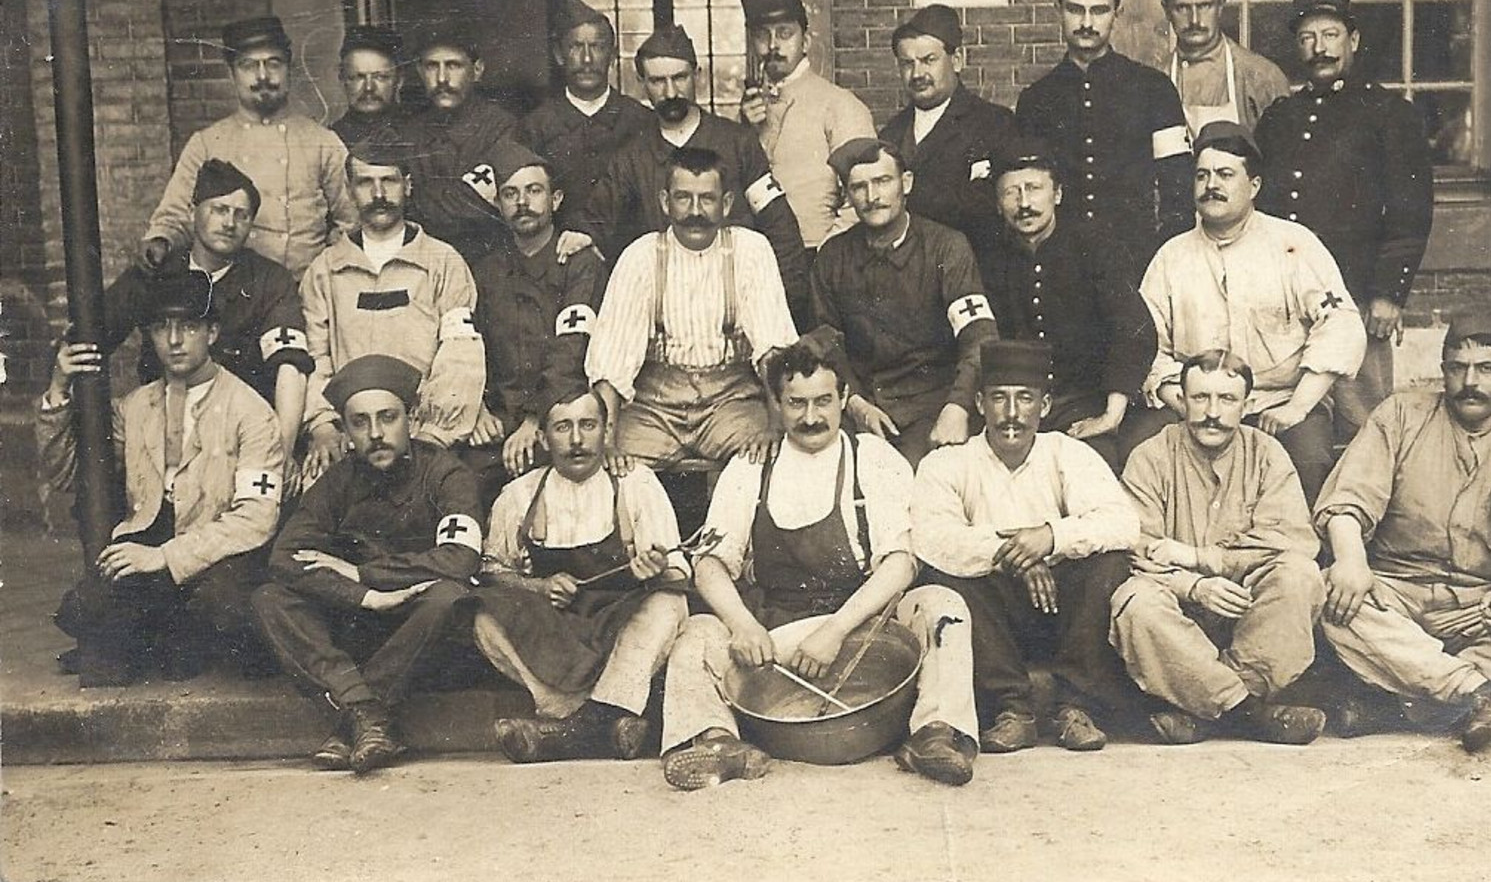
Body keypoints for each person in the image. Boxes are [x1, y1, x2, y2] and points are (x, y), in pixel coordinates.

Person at [660, 330, 979, 789]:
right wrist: (744, 625)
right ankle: (717, 743)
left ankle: (933, 734)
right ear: (776, 403)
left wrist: (836, 630)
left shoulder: (873, 457)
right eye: (796, 404)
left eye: (823, 402)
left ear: (844, 398)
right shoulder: (752, 465)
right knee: (698, 631)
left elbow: (901, 562)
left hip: (863, 629)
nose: (811, 418)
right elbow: (709, 563)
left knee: (942, 606)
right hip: (778, 635)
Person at [1315, 308, 1491, 753]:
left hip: (1477, 609)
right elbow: (1347, 500)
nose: (1470, 381)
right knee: (1329, 599)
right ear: (1443, 371)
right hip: (1393, 596)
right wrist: (1353, 562)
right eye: (1458, 368)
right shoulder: (1400, 417)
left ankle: (1403, 702)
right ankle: (1476, 696)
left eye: (1486, 369)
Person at [40, 273, 284, 684]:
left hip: (216, 553)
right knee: (100, 650)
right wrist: (58, 387)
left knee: (201, 626)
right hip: (151, 537)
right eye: (160, 327)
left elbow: (255, 519)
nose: (174, 340)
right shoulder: (138, 407)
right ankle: (143, 635)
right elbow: (68, 474)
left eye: (188, 326)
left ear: (212, 332)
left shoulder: (251, 412)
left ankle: (164, 637)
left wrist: (165, 557)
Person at [251, 355, 483, 774]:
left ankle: (356, 714)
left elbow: (460, 557)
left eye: (388, 418)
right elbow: (285, 556)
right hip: (359, 622)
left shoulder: (448, 475)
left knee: (448, 597)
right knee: (271, 599)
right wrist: (364, 597)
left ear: (411, 417)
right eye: (359, 422)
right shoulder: (337, 482)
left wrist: (363, 574)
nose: (376, 434)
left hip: (418, 633)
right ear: (345, 429)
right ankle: (367, 713)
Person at [911, 340, 1144, 753]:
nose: (1012, 414)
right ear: (980, 405)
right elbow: (931, 537)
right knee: (946, 576)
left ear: (1046, 404)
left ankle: (1075, 706)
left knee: (1109, 563)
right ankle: (1013, 708)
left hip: (1065, 617)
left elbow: (1124, 524)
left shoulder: (1070, 454)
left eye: (1025, 399)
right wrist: (1014, 555)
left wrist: (1050, 537)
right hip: (996, 622)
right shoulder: (948, 463)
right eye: (999, 399)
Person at [1138, 121, 1366, 504]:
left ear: (1254, 185)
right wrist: (1181, 399)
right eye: (1203, 176)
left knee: (1309, 461)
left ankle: (1299, 557)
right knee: (1141, 449)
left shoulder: (1294, 244)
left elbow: (1341, 324)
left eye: (1226, 175)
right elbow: (1145, 343)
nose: (1212, 185)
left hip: (1276, 402)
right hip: (1193, 403)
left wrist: (1298, 406)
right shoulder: (1171, 257)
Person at [1111, 351, 1328, 745]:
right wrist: (1194, 586)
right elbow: (1136, 548)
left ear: (1246, 405)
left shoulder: (1267, 455)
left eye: (1227, 400)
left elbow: (1290, 540)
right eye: (1200, 398)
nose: (1213, 412)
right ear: (1182, 399)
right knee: (1134, 601)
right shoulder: (1150, 456)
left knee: (1299, 576)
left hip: (1245, 610)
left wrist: (1202, 558)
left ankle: (1205, 706)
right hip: (1177, 609)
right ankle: (1249, 713)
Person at [1255, 0, 1435, 441]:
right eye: (1308, 38)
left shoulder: (1389, 113)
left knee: (1364, 421)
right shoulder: (1281, 118)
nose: (1321, 48)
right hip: (1289, 295)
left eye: (1331, 34)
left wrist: (1389, 293)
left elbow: (1409, 210)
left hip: (1356, 292)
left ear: (1352, 40)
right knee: (1293, 416)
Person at [476, 389, 687, 763]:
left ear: (606, 432)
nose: (576, 440)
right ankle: (570, 712)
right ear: (542, 437)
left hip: (617, 627)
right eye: (563, 427)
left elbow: (677, 567)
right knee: (483, 615)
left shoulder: (636, 484)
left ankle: (573, 731)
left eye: (588, 426)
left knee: (668, 603)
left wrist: (652, 569)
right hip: (555, 629)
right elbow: (491, 569)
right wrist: (536, 586)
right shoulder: (518, 496)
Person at [558, 24, 809, 321]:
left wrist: (785, 302)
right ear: (642, 84)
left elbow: (779, 225)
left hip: (734, 303)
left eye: (679, 78)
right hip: (665, 309)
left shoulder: (738, 143)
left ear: (697, 76)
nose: (671, 92)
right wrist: (581, 234)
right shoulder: (630, 156)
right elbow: (597, 217)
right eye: (657, 81)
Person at [585, 146, 798, 471]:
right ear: (664, 202)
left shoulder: (751, 251)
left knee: (769, 463)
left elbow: (775, 353)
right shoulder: (640, 257)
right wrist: (609, 443)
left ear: (725, 204)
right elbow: (610, 365)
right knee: (611, 472)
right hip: (654, 408)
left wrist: (774, 428)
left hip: (731, 404)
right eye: (683, 198)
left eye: (707, 199)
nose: (695, 211)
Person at [105, 158, 310, 476]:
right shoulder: (158, 271)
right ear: (192, 212)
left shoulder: (269, 279)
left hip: (241, 434)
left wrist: (278, 456)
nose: (230, 222)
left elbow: (290, 366)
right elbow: (93, 335)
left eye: (241, 215)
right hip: (162, 428)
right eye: (219, 209)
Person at [299, 138, 486, 486]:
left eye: (389, 181)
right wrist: (323, 425)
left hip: (425, 435)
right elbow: (316, 357)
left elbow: (461, 355)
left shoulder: (443, 262)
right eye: (366, 183)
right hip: (351, 436)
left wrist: (434, 435)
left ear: (408, 185)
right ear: (350, 190)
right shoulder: (325, 270)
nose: (379, 193)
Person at [811, 137, 997, 468]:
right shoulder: (833, 256)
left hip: (931, 407)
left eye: (882, 181)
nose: (872, 197)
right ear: (848, 196)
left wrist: (958, 406)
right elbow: (827, 344)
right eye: (859, 187)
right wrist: (854, 402)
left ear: (905, 183)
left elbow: (979, 337)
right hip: (860, 410)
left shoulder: (946, 248)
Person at [978, 136, 1157, 473]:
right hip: (1016, 407)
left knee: (1094, 473)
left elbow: (1134, 330)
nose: (1024, 203)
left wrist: (1110, 414)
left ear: (1057, 194)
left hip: (1083, 402)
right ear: (998, 203)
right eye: (1010, 192)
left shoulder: (1093, 246)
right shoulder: (989, 258)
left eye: (1034, 188)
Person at [1016, 0, 1194, 280]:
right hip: (1062, 268)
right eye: (1075, 10)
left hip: (1135, 262)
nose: (1086, 22)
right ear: (1059, 10)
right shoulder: (1036, 99)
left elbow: (1177, 191)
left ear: (1117, 13)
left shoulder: (1153, 89)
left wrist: (1163, 263)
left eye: (1099, 11)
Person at [138, 15, 351, 277]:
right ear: (232, 74)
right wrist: (161, 240)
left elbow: (351, 220)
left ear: (289, 69)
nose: (263, 76)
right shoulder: (206, 144)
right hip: (232, 293)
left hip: (305, 290)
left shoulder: (322, 142)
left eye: (274, 64)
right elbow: (175, 217)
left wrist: (328, 270)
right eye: (248, 65)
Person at [465, 141, 606, 503]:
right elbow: (468, 347)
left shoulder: (579, 263)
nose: (522, 202)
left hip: (560, 413)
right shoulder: (485, 272)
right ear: (498, 204)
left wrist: (534, 420)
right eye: (510, 194)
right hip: (499, 420)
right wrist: (476, 409)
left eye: (534, 191)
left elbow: (572, 350)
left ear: (555, 199)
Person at [738, 0, 875, 252]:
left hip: (817, 255)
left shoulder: (839, 104)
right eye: (763, 35)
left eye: (785, 33)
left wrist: (828, 254)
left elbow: (865, 193)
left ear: (806, 41)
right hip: (757, 258)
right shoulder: (749, 109)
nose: (773, 45)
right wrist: (747, 132)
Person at [878, 4, 1020, 256]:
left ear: (956, 61)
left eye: (929, 60)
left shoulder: (994, 123)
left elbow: (988, 207)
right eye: (907, 64)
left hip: (973, 267)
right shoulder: (891, 133)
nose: (917, 73)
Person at [518, 0, 654, 226]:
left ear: (612, 56)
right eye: (575, 47)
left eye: (598, 47)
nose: (587, 59)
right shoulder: (534, 127)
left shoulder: (642, 121)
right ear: (559, 55)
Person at [395, 26, 517, 266]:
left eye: (453, 66)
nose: (442, 79)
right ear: (420, 71)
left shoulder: (502, 128)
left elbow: (482, 206)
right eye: (432, 66)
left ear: (477, 70)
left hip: (489, 264)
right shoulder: (407, 134)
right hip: (421, 265)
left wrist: (419, 202)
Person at [1159, 0, 1290, 132]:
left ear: (1221, 5)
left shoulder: (1262, 77)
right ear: (1166, 11)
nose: (1195, 20)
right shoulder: (1156, 81)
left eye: (1204, 6)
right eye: (1182, 8)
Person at [332, 24, 408, 149]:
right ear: (342, 79)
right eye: (358, 77)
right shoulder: (329, 141)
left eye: (380, 77)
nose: (368, 87)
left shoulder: (420, 135)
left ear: (399, 81)